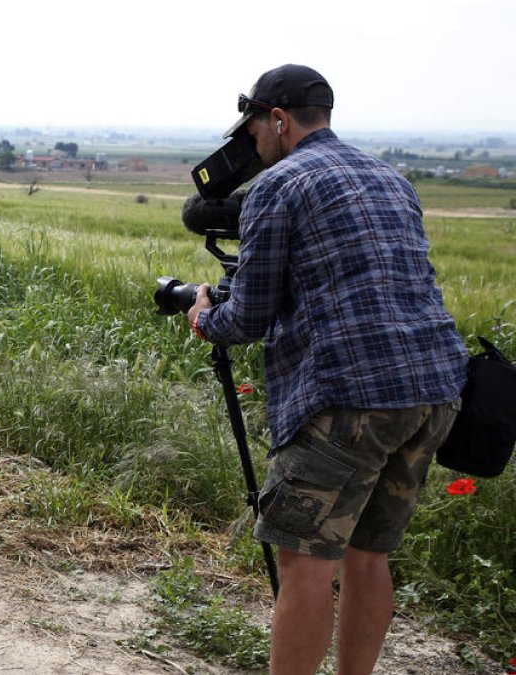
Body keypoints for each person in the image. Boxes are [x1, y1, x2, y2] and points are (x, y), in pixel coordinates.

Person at [187, 64, 467, 674]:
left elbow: (249, 317)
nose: (253, 142)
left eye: (255, 127)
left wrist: (206, 315)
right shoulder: (391, 177)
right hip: (434, 389)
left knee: (305, 565)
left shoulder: (278, 186)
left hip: (349, 398)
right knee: (369, 556)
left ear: (278, 120)